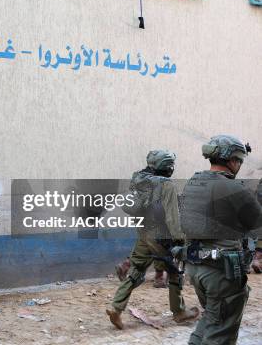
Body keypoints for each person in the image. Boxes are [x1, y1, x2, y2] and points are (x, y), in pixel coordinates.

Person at [180, 135, 262, 345]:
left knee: (212, 317)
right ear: (232, 160)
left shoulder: (193, 182)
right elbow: (256, 223)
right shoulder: (233, 188)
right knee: (221, 334)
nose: (239, 165)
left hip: (196, 268)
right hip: (222, 273)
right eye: (239, 160)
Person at [107, 150, 199, 330]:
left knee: (136, 270)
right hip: (161, 237)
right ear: (168, 167)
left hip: (144, 233)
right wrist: (181, 240)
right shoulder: (167, 186)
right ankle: (179, 312)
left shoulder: (139, 179)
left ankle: (116, 308)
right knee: (175, 272)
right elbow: (173, 218)